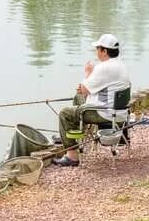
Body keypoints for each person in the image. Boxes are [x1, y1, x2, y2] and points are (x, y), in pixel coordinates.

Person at [52, 34, 131, 167]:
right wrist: (85, 86)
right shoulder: (121, 65)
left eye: (98, 48)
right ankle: (72, 135)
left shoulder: (103, 67)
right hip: (120, 112)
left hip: (104, 113)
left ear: (104, 51)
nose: (96, 51)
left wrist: (88, 72)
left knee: (65, 113)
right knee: (78, 99)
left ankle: (72, 156)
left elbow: (82, 89)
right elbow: (83, 92)